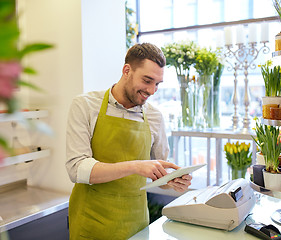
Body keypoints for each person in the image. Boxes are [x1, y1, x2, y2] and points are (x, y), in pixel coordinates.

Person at [66, 43, 192, 240]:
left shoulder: (154, 117)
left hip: (135, 224)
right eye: (147, 80)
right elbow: (77, 169)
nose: (152, 91)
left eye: (158, 84)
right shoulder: (85, 105)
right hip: (90, 222)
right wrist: (135, 166)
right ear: (127, 70)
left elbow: (159, 174)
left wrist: (173, 181)